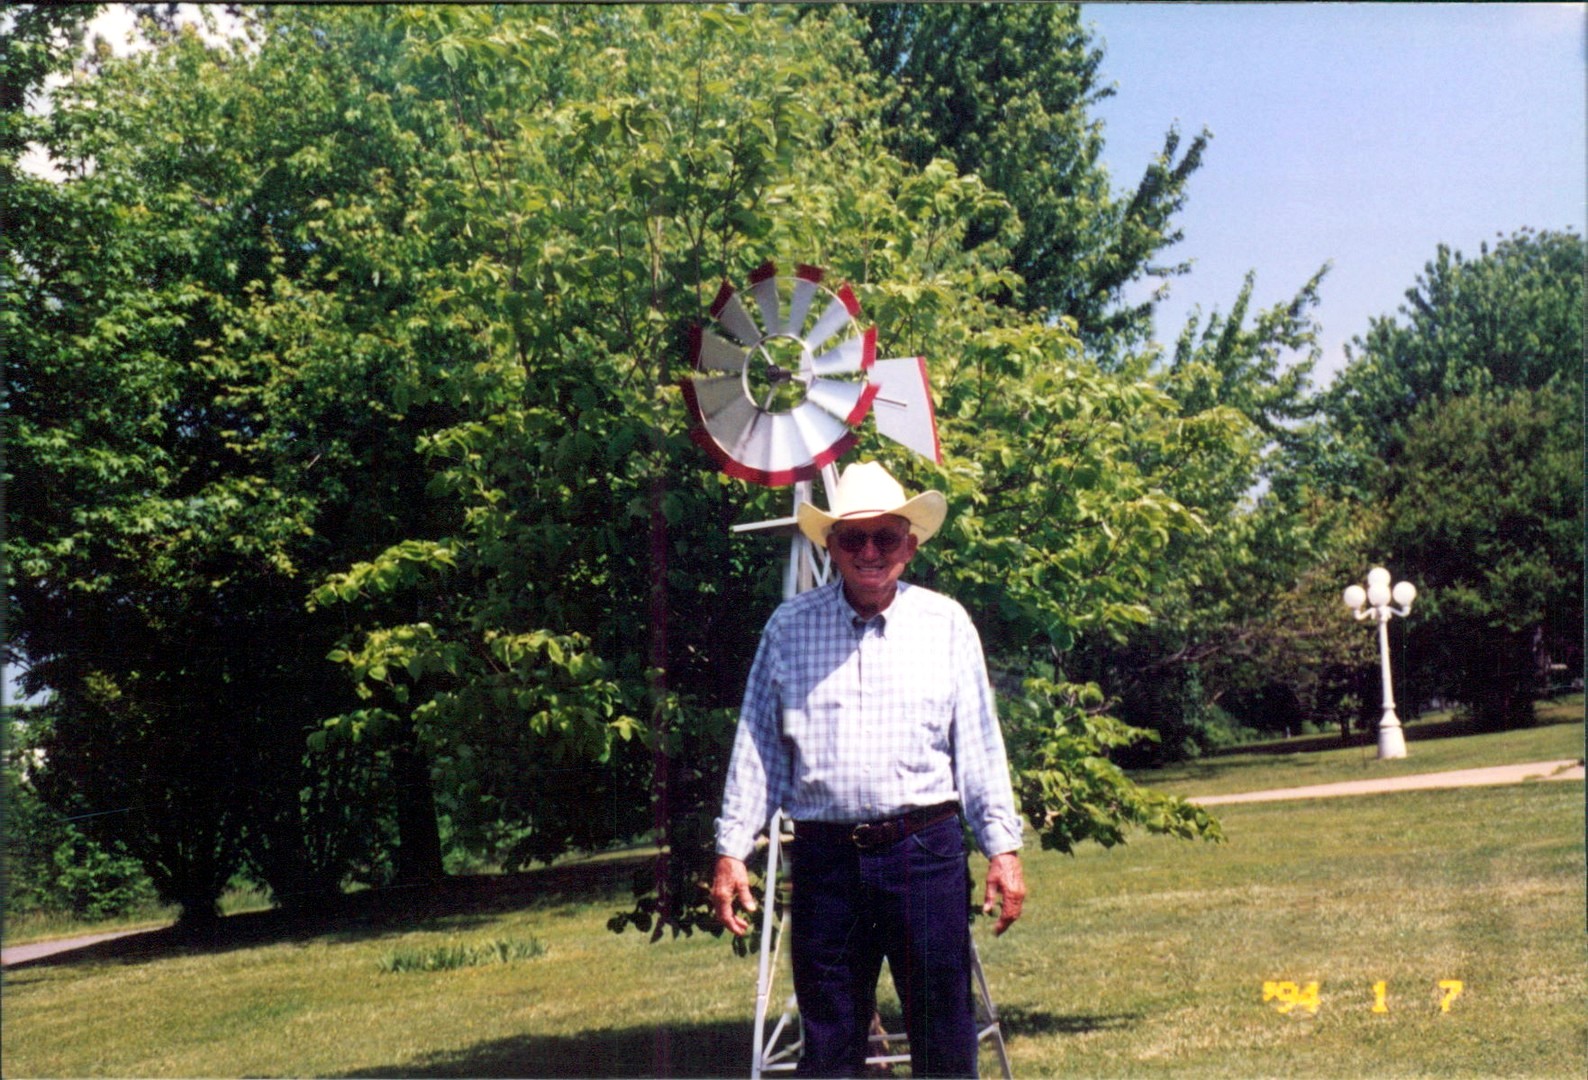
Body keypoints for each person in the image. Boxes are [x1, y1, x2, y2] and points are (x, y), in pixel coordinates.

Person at [711, 460, 1026, 1079]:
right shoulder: (789, 628)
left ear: (910, 545)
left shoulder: (946, 624)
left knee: (944, 1039)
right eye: (854, 538)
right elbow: (757, 747)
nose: (870, 552)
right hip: (825, 863)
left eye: (885, 537)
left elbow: (980, 746)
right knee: (829, 1046)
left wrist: (1003, 850)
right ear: (831, 546)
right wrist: (730, 852)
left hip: (924, 854)